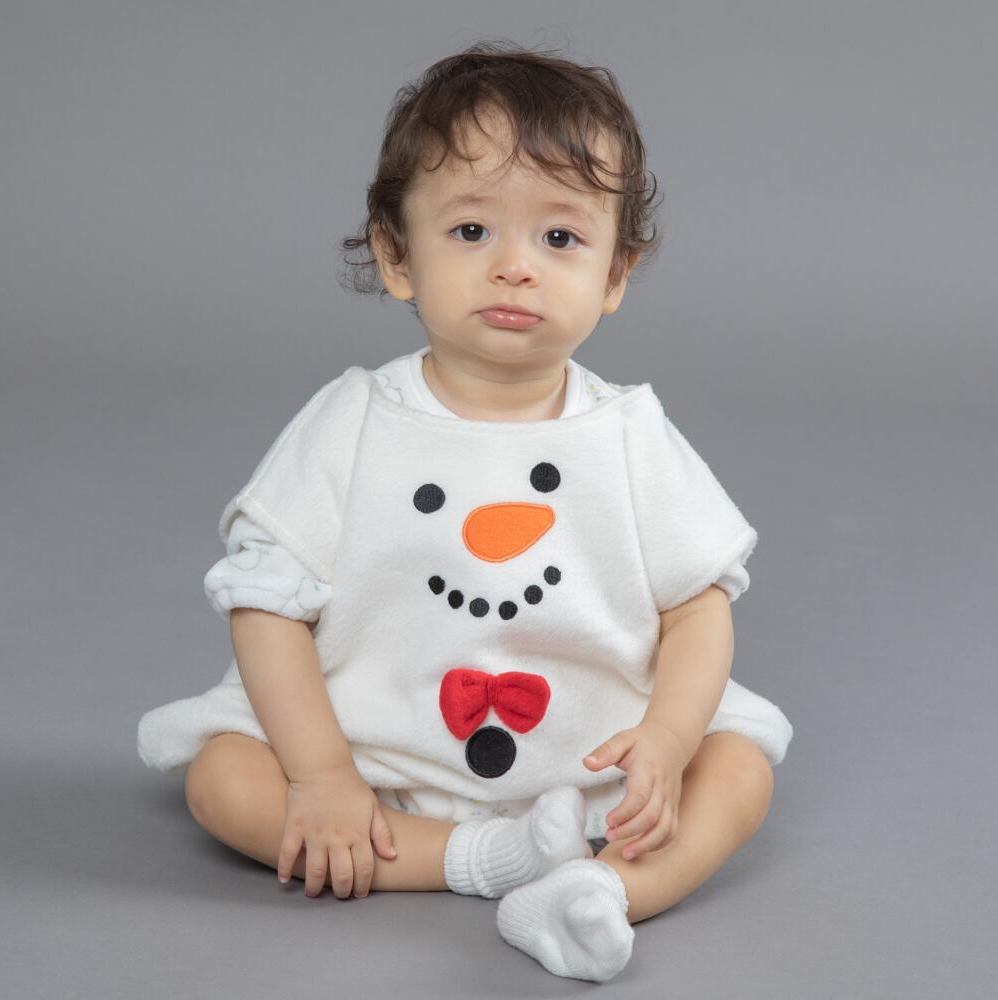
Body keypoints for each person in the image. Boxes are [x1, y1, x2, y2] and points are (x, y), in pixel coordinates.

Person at [137, 41, 793, 983]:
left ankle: (601, 890)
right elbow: (264, 604)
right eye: (473, 230)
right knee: (224, 781)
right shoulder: (354, 420)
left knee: (738, 770)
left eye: (560, 239)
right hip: (370, 754)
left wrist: (668, 739)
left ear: (615, 275)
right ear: (397, 256)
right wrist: (322, 774)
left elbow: (699, 608)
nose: (515, 267)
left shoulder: (629, 432)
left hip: (595, 759)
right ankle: (480, 859)